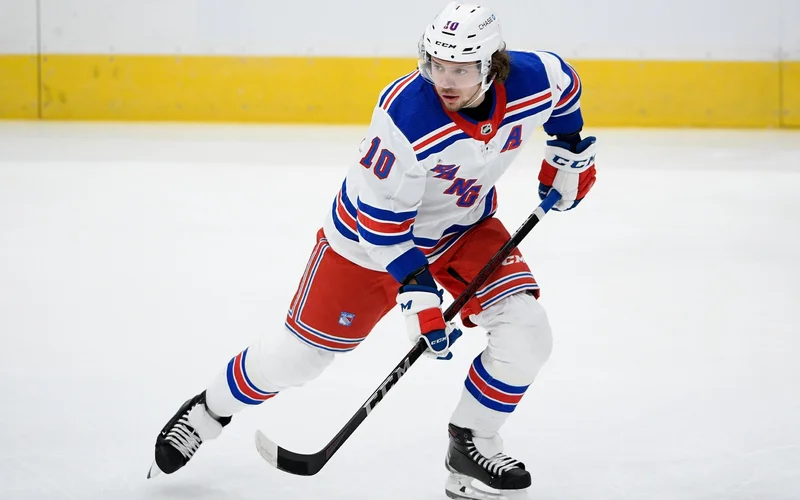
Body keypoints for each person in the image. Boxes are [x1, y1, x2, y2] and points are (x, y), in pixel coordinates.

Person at [148, 2, 597, 498]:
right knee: (299, 358)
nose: (445, 81)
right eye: (436, 65)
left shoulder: (535, 78)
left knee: (526, 332)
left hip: (463, 230)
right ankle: (209, 410)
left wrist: (568, 150)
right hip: (366, 245)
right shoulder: (405, 115)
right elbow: (380, 223)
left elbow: (566, 87)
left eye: (461, 70)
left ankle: (471, 445)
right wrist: (418, 295)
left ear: (493, 66)